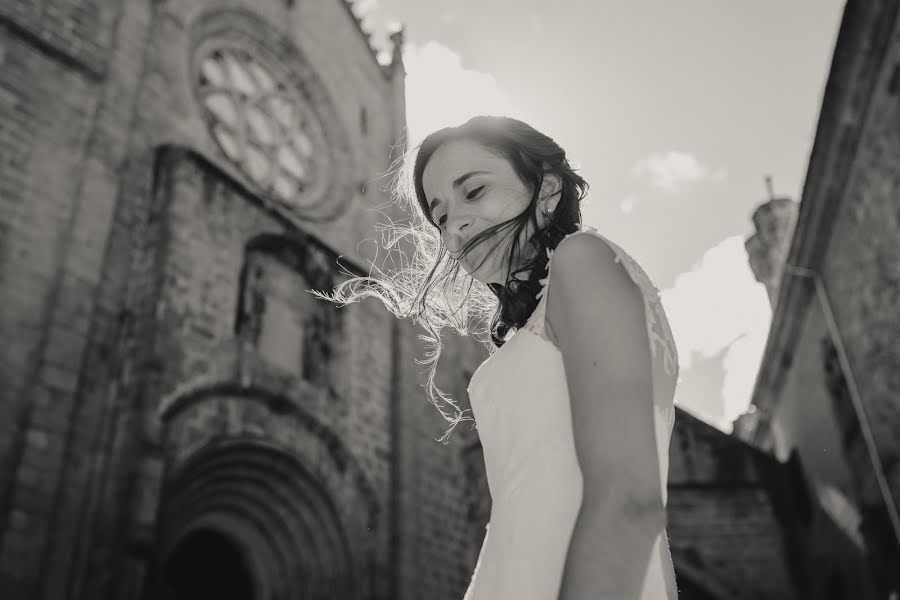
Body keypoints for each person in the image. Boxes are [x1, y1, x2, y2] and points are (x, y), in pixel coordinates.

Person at [311, 115, 680, 599]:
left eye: (474, 191)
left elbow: (629, 497)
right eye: (440, 216)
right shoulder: (529, 326)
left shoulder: (584, 259)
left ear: (546, 189)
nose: (454, 225)